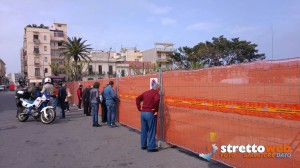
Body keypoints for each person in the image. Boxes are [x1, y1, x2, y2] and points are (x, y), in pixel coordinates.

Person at [136, 83, 161, 152]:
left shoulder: (146, 92)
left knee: (144, 130)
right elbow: (157, 100)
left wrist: (139, 108)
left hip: (143, 113)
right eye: (160, 89)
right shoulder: (156, 93)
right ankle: (151, 147)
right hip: (150, 113)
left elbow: (138, 98)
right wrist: (156, 110)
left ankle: (143, 145)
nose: (160, 90)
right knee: (152, 130)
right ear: (157, 88)